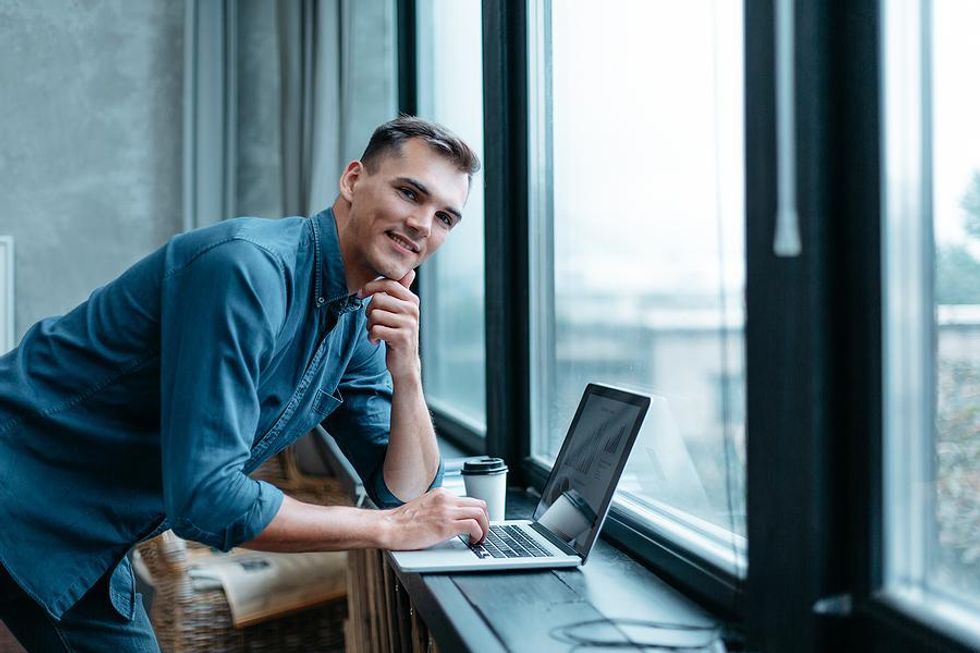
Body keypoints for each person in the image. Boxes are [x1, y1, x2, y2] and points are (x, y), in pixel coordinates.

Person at [0, 116, 490, 651]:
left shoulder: (358, 317)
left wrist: (408, 371)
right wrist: (387, 529)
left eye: (444, 216)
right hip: (19, 484)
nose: (423, 223)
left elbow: (404, 491)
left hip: (89, 528)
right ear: (352, 180)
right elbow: (209, 499)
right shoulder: (248, 268)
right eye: (409, 192)